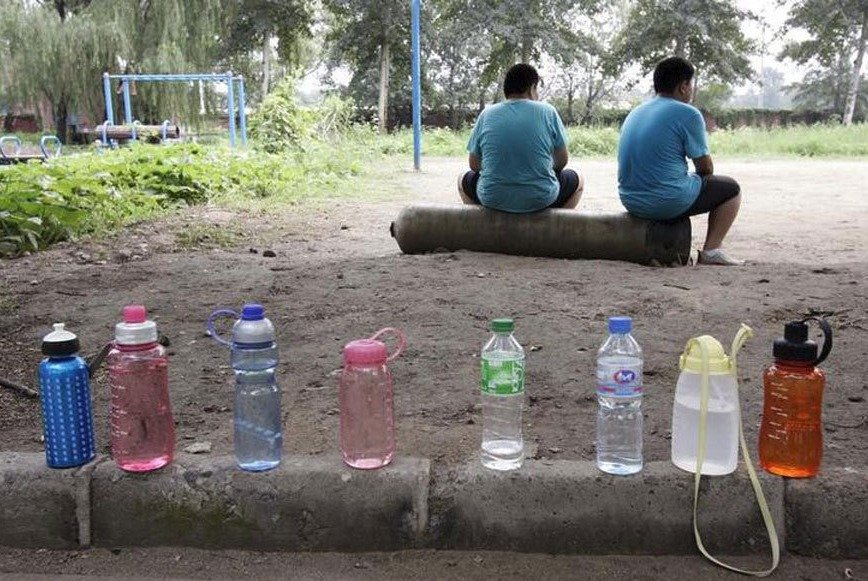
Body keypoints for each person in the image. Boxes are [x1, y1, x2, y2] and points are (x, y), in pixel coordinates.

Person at [618, 56, 744, 266]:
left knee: (682, 181)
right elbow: (706, 167)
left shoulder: (636, 112)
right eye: (691, 84)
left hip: (630, 200)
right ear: (684, 86)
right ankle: (711, 250)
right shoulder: (688, 114)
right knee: (731, 189)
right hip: (665, 202)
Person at [458, 63, 583, 213]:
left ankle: (483, 227)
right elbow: (562, 161)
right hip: (541, 198)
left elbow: (474, 165)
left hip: (492, 197)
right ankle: (553, 226)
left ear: (507, 90)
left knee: (462, 180)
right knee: (579, 180)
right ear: (531, 88)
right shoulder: (548, 111)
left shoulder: (487, 114)